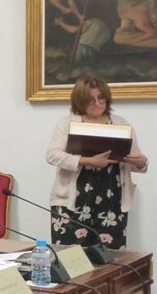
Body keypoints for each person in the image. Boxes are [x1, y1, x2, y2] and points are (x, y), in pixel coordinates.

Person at [46, 74, 147, 248]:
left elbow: (134, 159)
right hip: (73, 201)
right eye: (91, 100)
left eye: (101, 98)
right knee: (70, 257)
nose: (98, 103)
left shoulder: (120, 123)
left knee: (110, 257)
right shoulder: (67, 123)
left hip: (112, 199)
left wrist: (141, 161)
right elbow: (52, 155)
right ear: (80, 100)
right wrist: (88, 160)